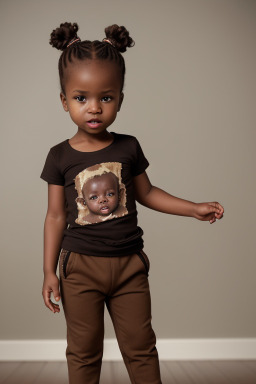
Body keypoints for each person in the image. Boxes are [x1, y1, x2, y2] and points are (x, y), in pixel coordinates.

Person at [40, 22, 224, 384]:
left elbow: (148, 193)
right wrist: (49, 271)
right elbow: (55, 216)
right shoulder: (59, 156)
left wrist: (193, 208)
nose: (94, 108)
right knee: (83, 350)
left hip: (129, 268)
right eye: (81, 98)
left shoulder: (128, 147)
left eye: (105, 97)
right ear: (64, 101)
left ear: (120, 99)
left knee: (141, 347)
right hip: (79, 269)